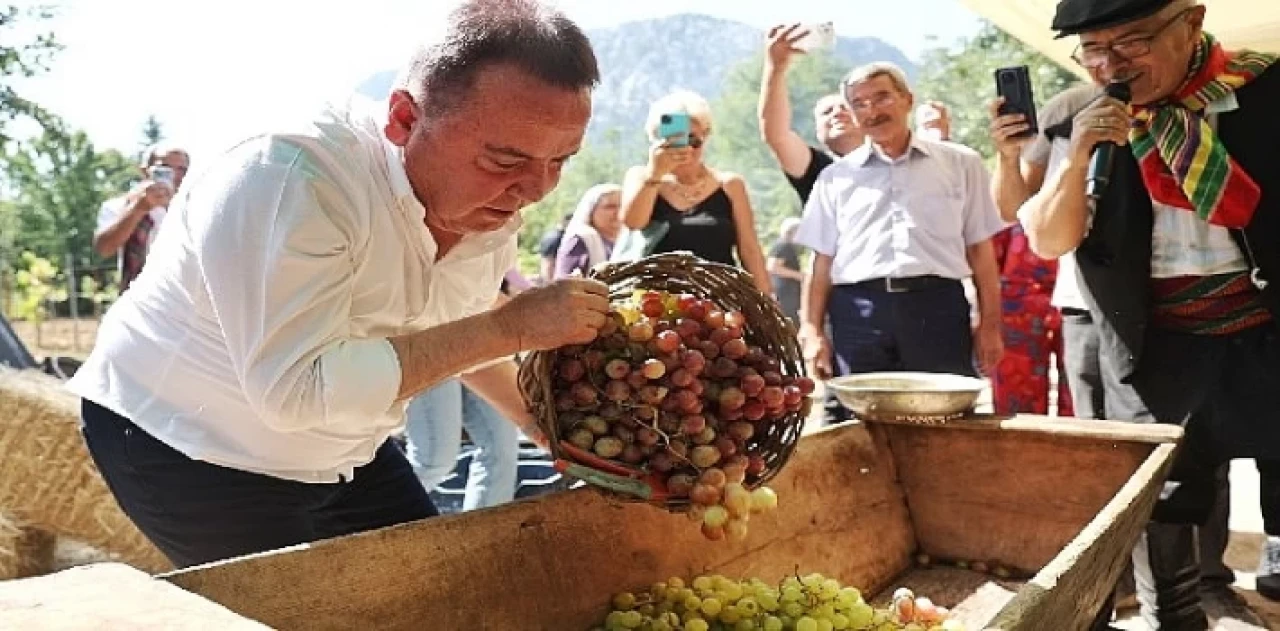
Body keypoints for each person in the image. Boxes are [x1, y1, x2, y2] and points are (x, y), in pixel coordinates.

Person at [66, 0, 611, 569]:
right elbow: (300, 390)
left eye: (561, 162)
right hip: (190, 445)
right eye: (504, 160)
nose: (535, 189)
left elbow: (453, 340)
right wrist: (508, 328)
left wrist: (545, 428)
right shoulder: (287, 176)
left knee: (434, 593)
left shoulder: (485, 205)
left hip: (345, 448)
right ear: (404, 117)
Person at [1026, 0, 1280, 626]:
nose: (1112, 63)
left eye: (1132, 41)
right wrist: (1082, 152)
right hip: (1160, 347)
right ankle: (1174, 617)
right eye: (1093, 49)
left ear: (1190, 22)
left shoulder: (1266, 89)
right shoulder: (1090, 123)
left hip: (1268, 331)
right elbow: (1050, 240)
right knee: (1160, 500)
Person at [795, 62, 1005, 424]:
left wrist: (990, 324)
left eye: (881, 97)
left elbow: (980, 251)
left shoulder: (961, 163)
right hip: (859, 314)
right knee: (861, 428)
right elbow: (821, 262)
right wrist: (812, 330)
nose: (872, 111)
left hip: (937, 308)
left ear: (907, 100)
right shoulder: (835, 177)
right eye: (859, 104)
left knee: (945, 423)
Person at [618, 90, 772, 295]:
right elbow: (633, 222)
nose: (687, 149)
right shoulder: (642, 178)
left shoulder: (730, 184)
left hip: (719, 300)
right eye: (674, 140)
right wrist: (655, 174)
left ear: (706, 136)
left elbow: (750, 250)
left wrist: (767, 301)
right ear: (656, 140)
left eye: (694, 140)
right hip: (657, 300)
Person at [759, 23, 865, 206]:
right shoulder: (816, 169)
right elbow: (776, 135)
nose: (838, 113)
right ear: (818, 132)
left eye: (845, 107)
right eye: (827, 112)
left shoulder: (894, 160)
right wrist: (775, 69)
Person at [93, 144, 190, 291]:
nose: (174, 175)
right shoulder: (120, 206)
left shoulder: (194, 209)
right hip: (139, 299)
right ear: (145, 171)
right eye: (164, 168)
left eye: (182, 170)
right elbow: (105, 248)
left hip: (186, 298)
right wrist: (139, 208)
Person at [555, 183, 622, 279]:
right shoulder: (581, 239)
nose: (618, 212)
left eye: (622, 206)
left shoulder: (625, 240)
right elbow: (566, 284)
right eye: (610, 207)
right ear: (591, 210)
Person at [767, 218, 805, 325]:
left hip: (786, 292)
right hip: (785, 293)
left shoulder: (782, 245)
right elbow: (772, 266)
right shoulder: (784, 245)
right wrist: (800, 276)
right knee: (790, 323)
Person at [538, 212, 572, 284]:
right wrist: (551, 283)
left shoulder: (549, 235)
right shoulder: (558, 238)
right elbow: (549, 262)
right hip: (551, 278)